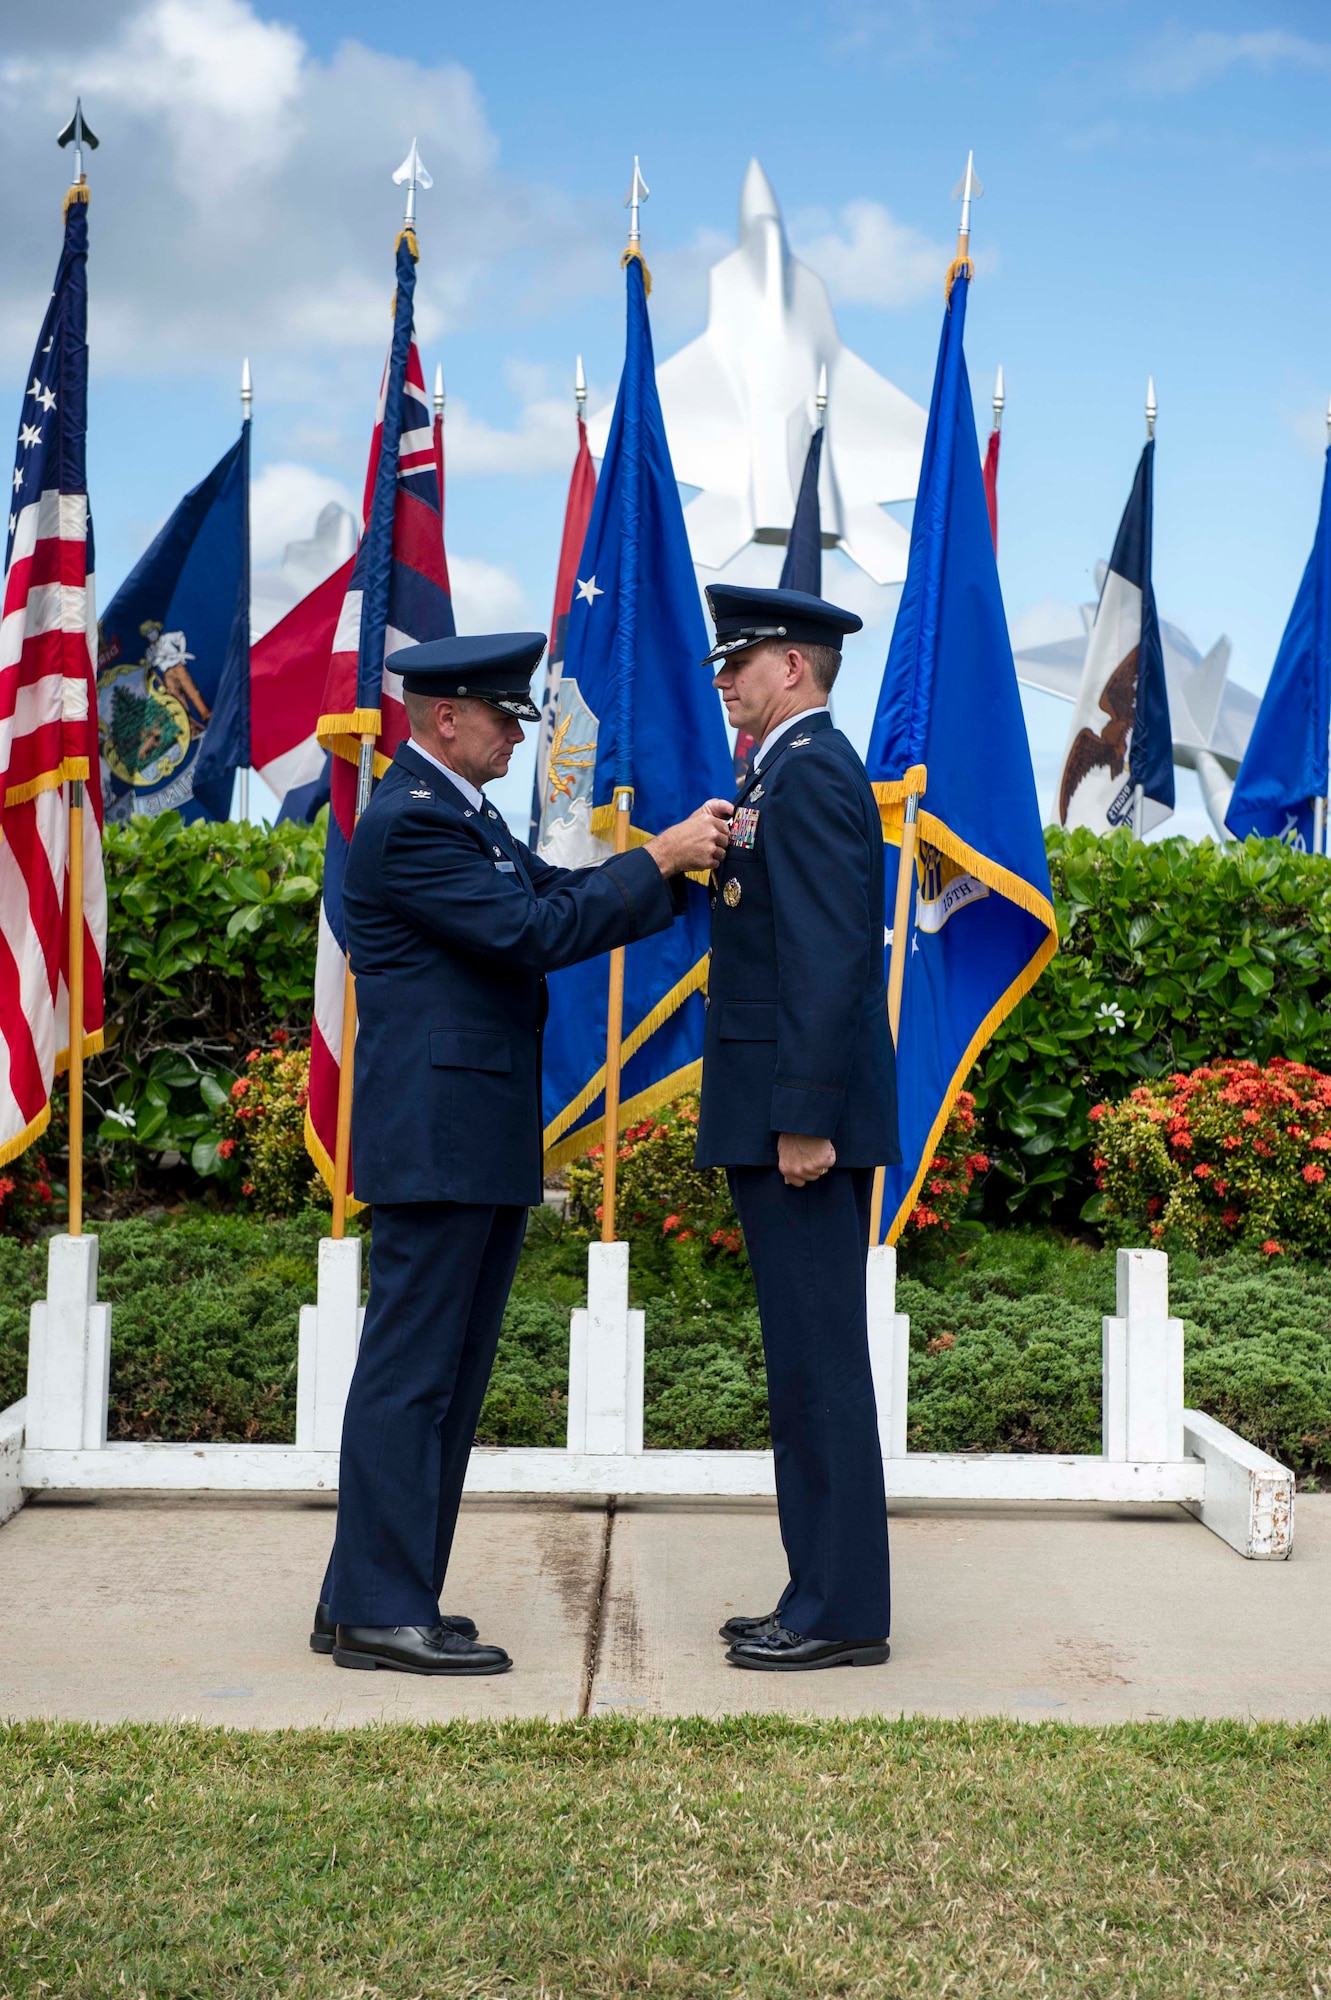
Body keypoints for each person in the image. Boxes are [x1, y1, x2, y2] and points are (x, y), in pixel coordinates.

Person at [313, 631, 731, 1675]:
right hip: (438, 1141)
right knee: (412, 1377)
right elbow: (528, 930)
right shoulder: (413, 823)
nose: (516, 732)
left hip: (471, 1137)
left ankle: (377, 1591)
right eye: (502, 715)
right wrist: (663, 855)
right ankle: (377, 1604)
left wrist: (668, 861)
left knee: (441, 1378)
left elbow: (550, 895)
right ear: (443, 716)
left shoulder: (461, 816)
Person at [694, 584, 898, 1671]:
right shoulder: (776, 771)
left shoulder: (812, 771)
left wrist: (806, 1119)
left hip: (798, 1123)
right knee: (800, 1362)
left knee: (818, 1364)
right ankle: (812, 1585)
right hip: (772, 1108)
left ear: (792, 670)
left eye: (742, 660)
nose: (723, 677)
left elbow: (828, 957)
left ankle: (837, 1611)